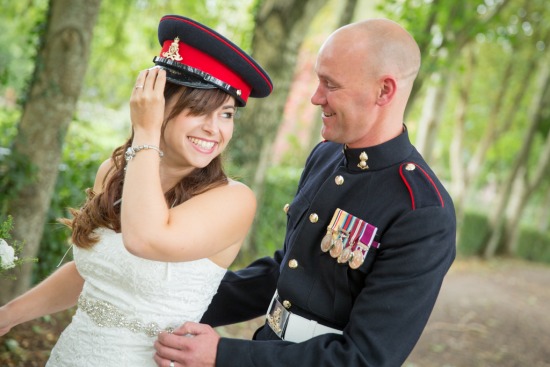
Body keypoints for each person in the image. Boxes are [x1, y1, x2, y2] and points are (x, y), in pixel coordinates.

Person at [153, 18, 456, 367]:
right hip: (267, 343)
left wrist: (225, 355)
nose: (316, 97)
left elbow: (365, 358)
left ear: (384, 91)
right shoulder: (326, 155)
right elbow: (285, 272)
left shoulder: (423, 210)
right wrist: (172, 301)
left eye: (330, 84)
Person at [0, 14, 272, 366]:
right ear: (157, 104)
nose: (213, 129)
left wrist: (145, 134)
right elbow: (94, 273)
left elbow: (145, 240)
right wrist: (7, 315)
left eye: (227, 114)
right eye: (197, 109)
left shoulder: (233, 200)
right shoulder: (113, 173)